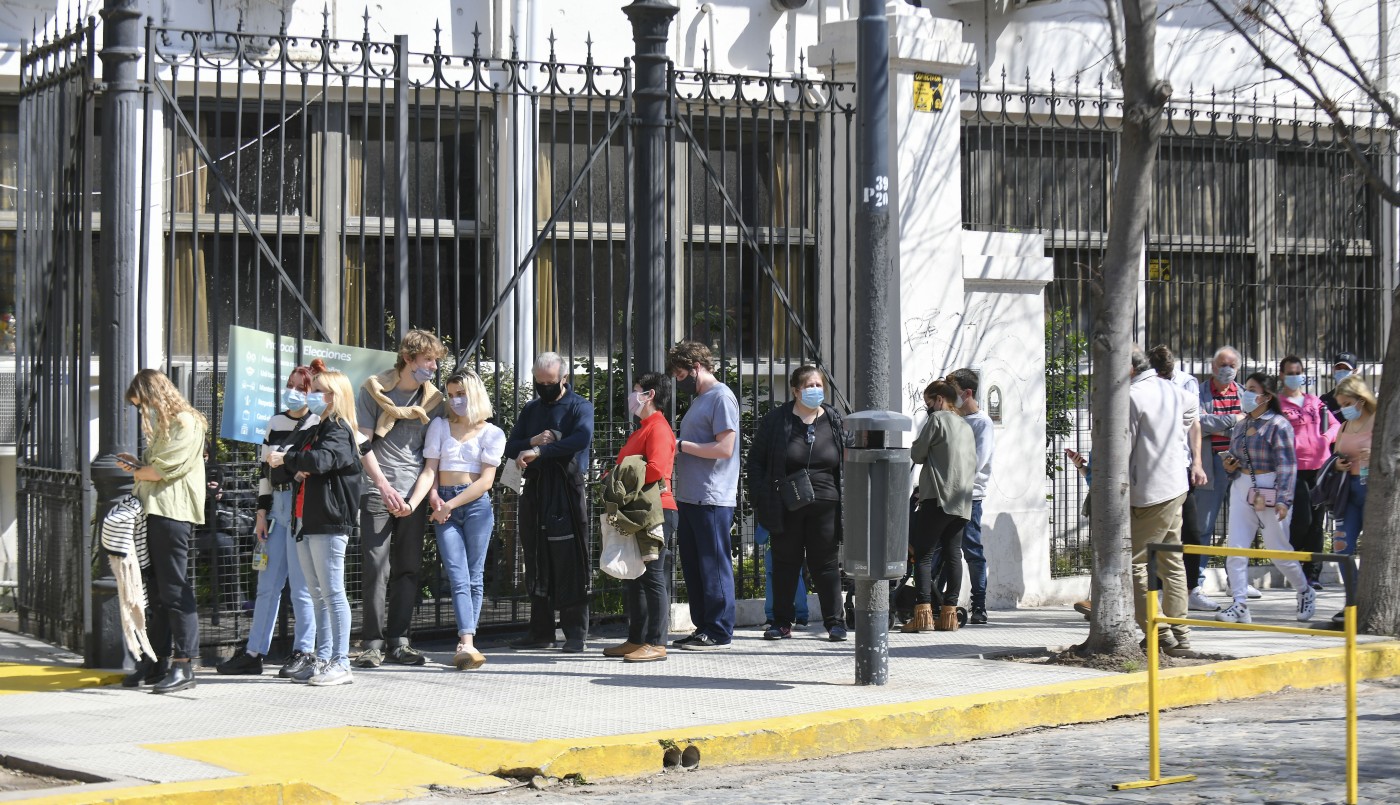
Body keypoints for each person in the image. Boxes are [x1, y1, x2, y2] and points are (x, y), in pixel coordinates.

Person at [217, 365, 320, 678]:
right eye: (290, 385)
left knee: (301, 587)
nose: (293, 392)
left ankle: (304, 650)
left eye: (301, 388)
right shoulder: (274, 422)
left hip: (301, 506)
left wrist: (290, 466)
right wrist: (261, 513)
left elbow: (311, 468)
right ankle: (253, 651)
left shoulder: (316, 423)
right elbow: (265, 471)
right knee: (267, 584)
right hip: (276, 505)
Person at [354, 329, 446, 668]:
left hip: (415, 495)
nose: (434, 367)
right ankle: (372, 643)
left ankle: (400, 640)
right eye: (428, 360)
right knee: (376, 568)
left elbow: (432, 459)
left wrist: (415, 498)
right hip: (378, 491)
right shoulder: (373, 390)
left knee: (408, 568)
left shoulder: (435, 401)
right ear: (408, 359)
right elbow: (362, 441)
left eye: (436, 361)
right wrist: (383, 485)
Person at [270, 366, 363, 686]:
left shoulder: (338, 429)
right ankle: (323, 658)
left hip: (328, 519)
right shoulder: (315, 428)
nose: (310, 395)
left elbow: (321, 461)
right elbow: (286, 469)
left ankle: (341, 661)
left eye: (318, 390)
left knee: (333, 593)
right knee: (318, 593)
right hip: (305, 519)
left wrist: (289, 460)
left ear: (335, 397)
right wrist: (291, 463)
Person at [118, 369, 208, 694]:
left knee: (173, 590)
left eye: (143, 404)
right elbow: (151, 469)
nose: (144, 411)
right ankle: (156, 662)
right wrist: (136, 466)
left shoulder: (186, 422)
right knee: (155, 593)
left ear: (155, 395)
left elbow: (160, 471)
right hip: (155, 513)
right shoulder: (167, 423)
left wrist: (139, 470)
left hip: (172, 513)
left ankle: (184, 665)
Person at [748, 365, 848, 642]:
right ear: (795, 390)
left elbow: (846, 458)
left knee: (826, 564)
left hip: (826, 503)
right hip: (787, 504)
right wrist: (760, 496)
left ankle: (834, 622)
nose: (815, 390)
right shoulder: (777, 421)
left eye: (819, 385)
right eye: (809, 385)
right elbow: (755, 461)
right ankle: (781, 622)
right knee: (785, 563)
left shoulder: (833, 418)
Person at [505, 352, 595, 652]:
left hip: (565, 491)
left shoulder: (579, 407)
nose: (544, 387)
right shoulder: (532, 409)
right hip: (535, 490)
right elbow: (511, 445)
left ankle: (575, 634)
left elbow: (580, 439)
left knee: (569, 558)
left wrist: (545, 450)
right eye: (539, 382)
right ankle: (541, 632)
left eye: (550, 382)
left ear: (564, 379)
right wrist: (532, 442)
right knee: (535, 556)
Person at [416, 371, 504, 670]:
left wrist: (448, 504)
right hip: (444, 504)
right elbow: (430, 468)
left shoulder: (492, 433)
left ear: (475, 394)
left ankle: (467, 641)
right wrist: (434, 498)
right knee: (457, 574)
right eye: (451, 394)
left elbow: (486, 482)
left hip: (474, 504)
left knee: (474, 574)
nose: (455, 400)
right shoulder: (439, 426)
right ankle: (466, 641)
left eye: (461, 394)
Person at [1216, 372, 1316, 625]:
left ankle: (1304, 590)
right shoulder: (1240, 424)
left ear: (1267, 396)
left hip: (1270, 488)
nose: (1245, 393)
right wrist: (1231, 466)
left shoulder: (1278, 425)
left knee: (1278, 551)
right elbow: (1238, 458)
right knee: (1236, 549)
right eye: (1245, 388)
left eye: (1251, 389)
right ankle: (1239, 604)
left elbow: (1287, 465)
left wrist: (1284, 500)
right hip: (1242, 486)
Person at [667, 340, 741, 651]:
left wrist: (680, 445)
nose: (678, 380)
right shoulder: (702, 398)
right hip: (692, 496)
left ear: (696, 368)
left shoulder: (721, 397)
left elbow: (725, 448)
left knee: (713, 564)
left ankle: (720, 629)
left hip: (712, 497)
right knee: (695, 566)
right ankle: (704, 627)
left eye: (681, 372)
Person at [602, 372, 676, 663]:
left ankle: (657, 642)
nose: (632, 397)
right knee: (635, 576)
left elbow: (656, 469)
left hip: (656, 511)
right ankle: (637, 639)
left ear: (650, 395)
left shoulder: (658, 428)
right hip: (640, 510)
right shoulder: (645, 427)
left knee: (653, 575)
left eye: (636, 391)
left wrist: (620, 476)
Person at [1127, 346, 1193, 655]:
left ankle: (1159, 631)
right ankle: (1180, 631)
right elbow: (1193, 412)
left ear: (1128, 368)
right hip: (1175, 484)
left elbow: (1123, 447)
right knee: (1171, 561)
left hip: (1150, 491)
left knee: (1136, 564)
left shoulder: (1132, 396)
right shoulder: (1172, 390)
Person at [1148, 346, 1215, 612]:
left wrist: (1197, 463)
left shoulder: (1186, 383)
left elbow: (1195, 423)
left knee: (1192, 532)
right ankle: (1157, 592)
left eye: (1167, 374)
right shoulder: (1144, 386)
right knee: (1156, 534)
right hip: (1154, 469)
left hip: (1182, 467)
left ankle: (1191, 588)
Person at [906, 380, 976, 634]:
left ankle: (923, 614)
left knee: (923, 555)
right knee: (953, 554)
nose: (928, 408)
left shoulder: (936, 421)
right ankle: (949, 616)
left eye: (928, 403)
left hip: (937, 497)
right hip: (962, 501)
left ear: (938, 399)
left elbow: (917, 454)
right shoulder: (966, 426)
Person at [1196, 345, 1260, 599]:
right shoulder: (1199, 392)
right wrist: (1234, 421)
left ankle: (1237, 582)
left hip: (1239, 468)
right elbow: (1198, 423)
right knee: (1204, 525)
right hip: (1210, 466)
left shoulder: (1245, 393)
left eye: (1231, 366)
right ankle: (1196, 582)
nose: (1226, 370)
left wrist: (1220, 426)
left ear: (1238, 368)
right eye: (1222, 365)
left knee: (1240, 526)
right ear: (1212, 367)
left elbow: (1252, 425)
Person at [944, 368, 995, 624]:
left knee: (971, 549)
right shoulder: (953, 419)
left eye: (953, 394)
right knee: (945, 549)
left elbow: (976, 461)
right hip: (947, 494)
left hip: (970, 496)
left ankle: (979, 605)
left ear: (967, 393)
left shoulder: (982, 423)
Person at [1278, 355, 1333, 588]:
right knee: (1302, 520)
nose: (1294, 377)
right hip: (1295, 468)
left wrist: (1325, 438)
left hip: (1319, 467)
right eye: (1289, 373)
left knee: (1317, 522)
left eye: (1297, 372)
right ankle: (1295, 566)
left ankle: (1313, 574)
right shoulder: (1278, 404)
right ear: (1281, 375)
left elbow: (1335, 425)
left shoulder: (1314, 401)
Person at [1330, 375, 1375, 557]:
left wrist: (1376, 455)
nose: (1344, 409)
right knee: (1341, 548)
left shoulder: (1379, 420)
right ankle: (1353, 586)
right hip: (1348, 490)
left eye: (1347, 403)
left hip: (1373, 489)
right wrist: (1338, 464)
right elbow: (1334, 456)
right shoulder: (1344, 426)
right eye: (1341, 405)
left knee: (1373, 549)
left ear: (1361, 400)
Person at [1320, 351, 1359, 419]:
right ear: (1333, 370)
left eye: (1346, 369)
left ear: (1355, 372)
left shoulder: (1361, 398)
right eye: (1339, 368)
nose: (1342, 371)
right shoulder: (1325, 400)